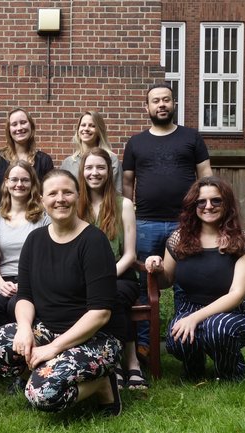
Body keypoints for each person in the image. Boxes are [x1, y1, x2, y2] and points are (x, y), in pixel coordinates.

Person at [0, 169, 124, 415]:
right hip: (46, 329)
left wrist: (54, 348)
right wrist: (24, 329)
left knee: (42, 395)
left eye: (67, 192)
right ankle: (47, 372)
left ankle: (103, 384)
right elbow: (25, 296)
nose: (60, 199)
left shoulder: (94, 241)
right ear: (42, 199)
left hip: (94, 338)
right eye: (53, 194)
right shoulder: (35, 240)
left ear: (78, 196)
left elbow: (100, 313)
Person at [122, 83, 213, 361]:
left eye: (166, 100)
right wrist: (130, 215)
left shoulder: (191, 137)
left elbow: (206, 175)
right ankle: (144, 345)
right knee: (143, 285)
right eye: (155, 101)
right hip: (145, 224)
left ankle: (186, 340)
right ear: (146, 107)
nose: (161, 105)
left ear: (174, 104)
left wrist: (204, 214)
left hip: (185, 223)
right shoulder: (136, 142)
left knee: (186, 283)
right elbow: (127, 182)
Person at [145, 176, 245, 381]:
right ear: (193, 206)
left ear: (227, 204)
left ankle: (231, 372)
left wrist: (195, 318)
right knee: (177, 339)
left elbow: (236, 294)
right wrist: (156, 268)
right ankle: (194, 370)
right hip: (190, 307)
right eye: (201, 202)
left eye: (216, 200)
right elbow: (166, 281)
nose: (208, 206)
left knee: (217, 329)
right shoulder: (179, 238)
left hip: (232, 312)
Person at [77, 148, 147, 390]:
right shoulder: (75, 205)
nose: (94, 172)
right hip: (84, 278)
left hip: (121, 275)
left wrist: (104, 278)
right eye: (89, 167)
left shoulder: (123, 204)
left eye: (100, 167)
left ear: (109, 171)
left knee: (112, 295)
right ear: (82, 171)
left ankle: (129, 362)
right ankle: (113, 363)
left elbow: (130, 255)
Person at [0, 161, 51, 337]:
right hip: (4, 280)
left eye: (25, 180)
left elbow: (48, 259)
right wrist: (0, 284)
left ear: (32, 183)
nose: (19, 184)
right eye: (14, 179)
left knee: (16, 304)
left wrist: (26, 284)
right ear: (6, 182)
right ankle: (1, 349)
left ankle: (24, 347)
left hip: (34, 281)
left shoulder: (44, 217)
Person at [0, 108, 53, 213]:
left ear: (31, 126)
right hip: (4, 217)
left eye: (23, 122)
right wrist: (0, 218)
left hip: (36, 217)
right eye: (14, 124)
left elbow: (49, 192)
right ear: (9, 130)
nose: (19, 128)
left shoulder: (44, 160)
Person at [61, 111, 122, 194]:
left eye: (92, 126)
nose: (86, 129)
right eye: (83, 125)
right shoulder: (68, 163)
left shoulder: (111, 159)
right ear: (78, 129)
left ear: (99, 131)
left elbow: (117, 193)